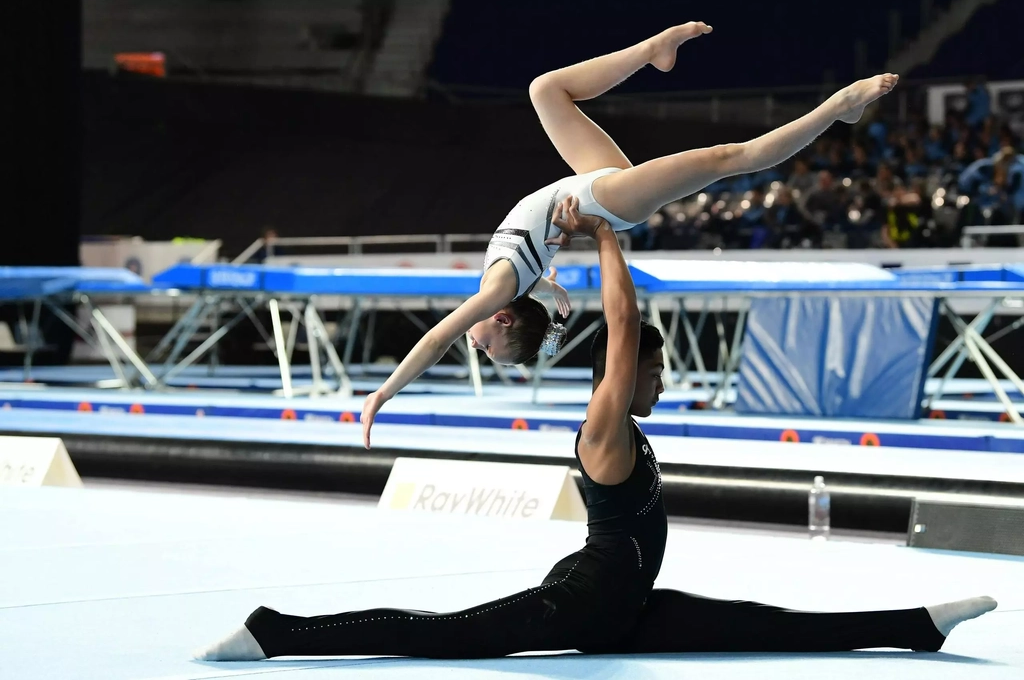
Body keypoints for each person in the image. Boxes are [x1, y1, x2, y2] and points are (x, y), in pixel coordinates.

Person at [197, 210, 996, 663]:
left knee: (767, 622)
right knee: (434, 635)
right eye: (654, 373)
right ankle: (273, 631)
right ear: (627, 376)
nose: (661, 384)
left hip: (625, 601)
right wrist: (609, 235)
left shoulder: (626, 422)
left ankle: (915, 628)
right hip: (576, 609)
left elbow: (626, 339)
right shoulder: (605, 427)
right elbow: (623, 326)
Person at [360, 21, 901, 448]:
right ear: (499, 317)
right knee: (729, 158)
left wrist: (548, 288)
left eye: (485, 350)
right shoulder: (498, 293)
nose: (471, 343)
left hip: (590, 182)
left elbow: (485, 304)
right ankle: (838, 107)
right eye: (485, 347)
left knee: (546, 90)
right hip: (605, 200)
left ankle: (652, 51)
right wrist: (385, 394)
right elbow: (437, 339)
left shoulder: (508, 288)